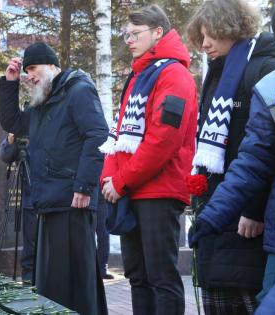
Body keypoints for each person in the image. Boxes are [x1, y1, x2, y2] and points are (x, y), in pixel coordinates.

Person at [189, 0, 275, 305]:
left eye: (212, 35)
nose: (205, 45)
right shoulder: (260, 81)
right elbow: (256, 157)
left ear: (231, 28)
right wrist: (214, 214)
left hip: (252, 216)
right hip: (247, 211)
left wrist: (253, 210)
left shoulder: (262, 68)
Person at [100, 5, 198, 315]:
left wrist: (121, 181)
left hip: (159, 191)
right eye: (126, 34)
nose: (128, 39)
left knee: (161, 278)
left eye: (134, 34)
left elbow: (162, 140)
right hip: (131, 190)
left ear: (158, 33)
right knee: (137, 278)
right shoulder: (138, 75)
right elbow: (117, 135)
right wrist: (108, 178)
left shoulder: (174, 75)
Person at [0, 41, 108, 315]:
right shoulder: (43, 102)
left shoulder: (79, 91)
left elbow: (97, 136)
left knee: (77, 285)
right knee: (53, 286)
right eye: (26, 71)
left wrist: (83, 186)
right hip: (48, 202)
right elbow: (13, 123)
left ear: (52, 66)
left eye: (33, 68)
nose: (30, 75)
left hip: (73, 202)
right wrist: (10, 84)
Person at [0, 133, 37, 283]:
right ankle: (28, 278)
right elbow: (6, 156)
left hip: (48, 195)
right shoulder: (21, 131)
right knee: (30, 243)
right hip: (29, 199)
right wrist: (10, 140)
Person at [96, 190, 114, 280]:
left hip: (101, 199)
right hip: (85, 198)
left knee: (103, 235)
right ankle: (90, 268)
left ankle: (102, 269)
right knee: (87, 236)